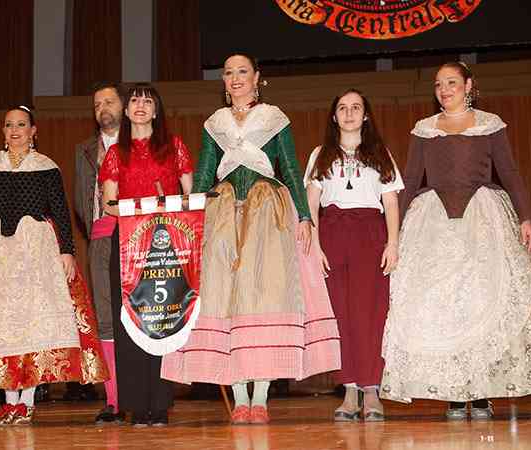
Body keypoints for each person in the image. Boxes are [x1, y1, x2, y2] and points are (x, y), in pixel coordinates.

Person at [379, 62, 531, 419]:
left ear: (468, 85)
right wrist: (395, 234)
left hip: (483, 219)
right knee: (447, 307)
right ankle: (455, 394)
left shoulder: (490, 124)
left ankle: (480, 392)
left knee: (482, 301)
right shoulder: (424, 129)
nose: (444, 90)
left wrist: (525, 217)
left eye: (452, 82)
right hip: (434, 223)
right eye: (439, 84)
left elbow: (510, 171)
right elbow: (410, 178)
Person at [160, 54, 341, 424]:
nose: (235, 78)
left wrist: (305, 216)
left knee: (264, 295)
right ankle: (240, 397)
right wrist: (191, 220)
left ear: (257, 77)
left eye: (242, 71)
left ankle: (261, 397)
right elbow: (205, 174)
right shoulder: (215, 123)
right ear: (224, 82)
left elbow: (289, 167)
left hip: (267, 211)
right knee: (226, 299)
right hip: (223, 212)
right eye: (228, 73)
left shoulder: (274, 118)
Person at [0, 105, 108, 425]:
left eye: (21, 124)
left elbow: (60, 212)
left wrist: (67, 251)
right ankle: (9, 401)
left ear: (33, 131)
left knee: (31, 323)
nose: (15, 130)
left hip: (34, 253)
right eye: (9, 125)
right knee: (2, 325)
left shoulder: (46, 167)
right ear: (3, 131)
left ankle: (26, 401)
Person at [304, 89, 403, 421]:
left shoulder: (380, 153)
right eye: (343, 108)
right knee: (340, 314)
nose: (349, 113)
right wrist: (316, 246)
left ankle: (371, 389)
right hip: (333, 235)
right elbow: (311, 204)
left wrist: (393, 243)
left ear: (366, 115)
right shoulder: (320, 154)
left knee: (371, 312)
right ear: (334, 116)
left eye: (356, 107)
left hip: (370, 235)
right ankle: (349, 390)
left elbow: (390, 201)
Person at [99, 83, 194, 426]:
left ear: (156, 111)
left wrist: (166, 207)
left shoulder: (174, 147)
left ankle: (161, 403)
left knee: (164, 319)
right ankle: (137, 404)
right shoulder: (116, 153)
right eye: (134, 100)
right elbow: (109, 204)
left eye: (147, 101)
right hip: (128, 244)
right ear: (126, 111)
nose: (140, 105)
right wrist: (142, 208)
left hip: (166, 244)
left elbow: (189, 197)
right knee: (131, 322)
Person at [73, 82, 125, 422]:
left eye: (109, 101)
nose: (102, 108)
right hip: (101, 236)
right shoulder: (84, 150)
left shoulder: (139, 144)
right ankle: (114, 399)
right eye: (97, 104)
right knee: (105, 318)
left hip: (137, 235)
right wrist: (95, 231)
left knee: (142, 313)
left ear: (123, 106)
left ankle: (145, 396)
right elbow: (80, 200)